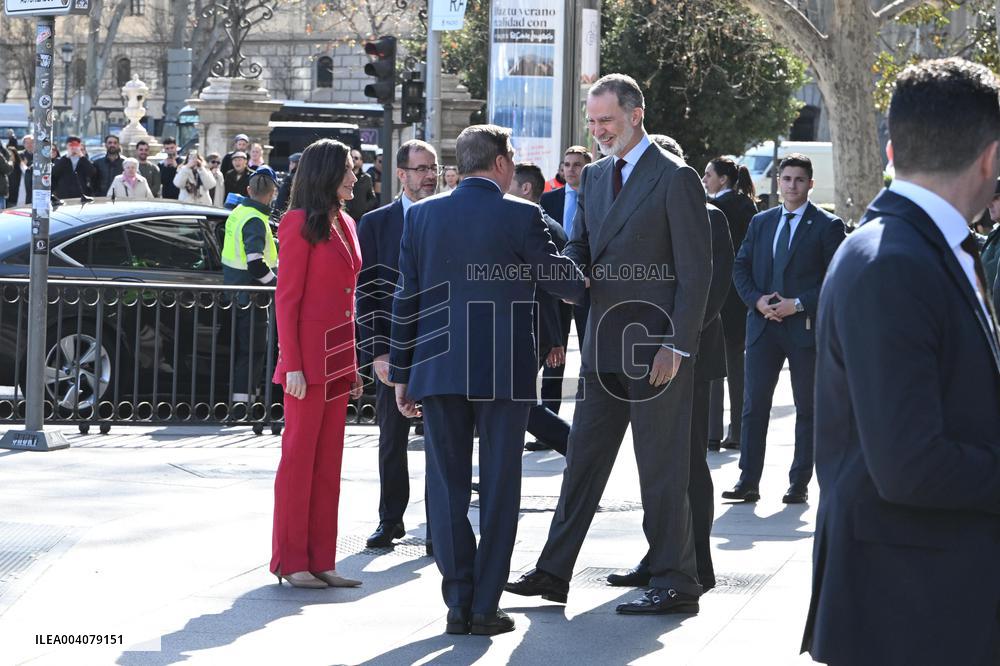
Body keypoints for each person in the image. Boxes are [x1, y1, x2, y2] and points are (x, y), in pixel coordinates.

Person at [802, 58, 1000, 665]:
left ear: (892, 148)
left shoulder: (912, 246)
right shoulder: (893, 261)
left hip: (927, 599)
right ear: (991, 158)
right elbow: (910, 465)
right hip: (908, 612)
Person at [505, 73, 712, 616]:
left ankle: (675, 578)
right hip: (601, 345)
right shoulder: (592, 178)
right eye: (592, 121)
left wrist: (679, 346)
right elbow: (580, 245)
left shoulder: (676, 177)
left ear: (636, 115)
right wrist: (561, 271)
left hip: (656, 350)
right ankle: (553, 572)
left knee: (660, 467)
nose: (597, 131)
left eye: (607, 121)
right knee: (582, 462)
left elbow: (697, 273)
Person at [389, 125, 586, 636]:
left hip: (437, 366)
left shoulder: (424, 215)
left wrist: (401, 373)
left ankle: (457, 600)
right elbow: (563, 283)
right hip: (505, 372)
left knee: (445, 486)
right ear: (500, 164)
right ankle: (485, 605)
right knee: (500, 487)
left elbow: (404, 297)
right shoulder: (522, 213)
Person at [605, 134, 733, 592]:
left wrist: (675, 344)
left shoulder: (709, 215)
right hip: (650, 356)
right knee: (657, 465)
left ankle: (696, 561)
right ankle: (660, 554)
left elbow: (709, 292)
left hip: (687, 359)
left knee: (688, 464)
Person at [721, 154, 846, 505]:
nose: (792, 185)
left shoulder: (827, 226)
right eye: (786, 178)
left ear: (810, 183)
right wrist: (757, 301)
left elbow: (836, 278)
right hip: (762, 327)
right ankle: (748, 480)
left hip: (804, 328)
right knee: (753, 405)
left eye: (799, 180)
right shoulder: (762, 222)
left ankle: (799, 482)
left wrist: (798, 303)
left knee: (807, 408)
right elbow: (740, 267)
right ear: (778, 181)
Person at [271, 138, 364, 589]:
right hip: (305, 363)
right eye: (348, 168)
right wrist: (292, 363)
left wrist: (353, 364)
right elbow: (286, 301)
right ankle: (291, 561)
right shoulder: (296, 222)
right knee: (299, 461)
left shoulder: (346, 221)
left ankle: (320, 558)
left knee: (329, 464)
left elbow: (347, 300)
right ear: (327, 173)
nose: (354, 175)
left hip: (338, 359)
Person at [356, 139, 439, 550]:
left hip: (441, 348)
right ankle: (391, 519)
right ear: (401, 175)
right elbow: (365, 294)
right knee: (392, 439)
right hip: (393, 349)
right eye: (421, 168)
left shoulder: (448, 216)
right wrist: (377, 352)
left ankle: (439, 526)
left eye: (433, 168)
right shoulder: (374, 224)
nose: (429, 176)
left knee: (443, 441)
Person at [508, 161, 573, 454]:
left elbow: (546, 290)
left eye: (509, 185)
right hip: (535, 329)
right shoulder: (547, 224)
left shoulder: (538, 224)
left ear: (525, 188)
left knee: (516, 401)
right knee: (514, 402)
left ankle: (578, 447)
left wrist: (554, 338)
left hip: (534, 330)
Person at [703, 156, 759, 451]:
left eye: (709, 174)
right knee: (736, 366)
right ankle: (735, 430)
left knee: (715, 364)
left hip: (719, 295)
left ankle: (713, 432)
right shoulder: (748, 206)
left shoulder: (716, 209)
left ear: (723, 179)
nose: (705, 179)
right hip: (740, 296)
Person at [538, 145, 592, 425]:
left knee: (589, 354)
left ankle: (586, 419)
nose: (571, 169)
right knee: (552, 353)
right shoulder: (548, 200)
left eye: (578, 164)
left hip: (587, 287)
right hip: (554, 287)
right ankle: (549, 419)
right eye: (567, 164)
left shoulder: (598, 199)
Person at [222, 167, 279, 404]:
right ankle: (242, 408)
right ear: (273, 192)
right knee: (253, 352)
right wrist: (276, 285)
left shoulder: (240, 211)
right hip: (253, 296)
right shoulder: (255, 219)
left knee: (244, 352)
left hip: (237, 294)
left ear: (248, 190)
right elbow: (256, 264)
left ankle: (243, 404)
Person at [51, 136, 96, 200]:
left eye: (76, 145)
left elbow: (92, 172)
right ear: (67, 146)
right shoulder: (60, 160)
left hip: (82, 196)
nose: (74, 147)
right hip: (64, 196)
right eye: (71, 145)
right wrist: (67, 157)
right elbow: (54, 173)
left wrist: (81, 156)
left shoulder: (84, 160)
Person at [345, 147, 377, 221]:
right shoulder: (342, 177)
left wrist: (363, 208)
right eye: (351, 157)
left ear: (361, 161)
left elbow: (372, 199)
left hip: (360, 219)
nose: (353, 159)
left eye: (356, 158)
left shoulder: (366, 178)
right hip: (346, 216)